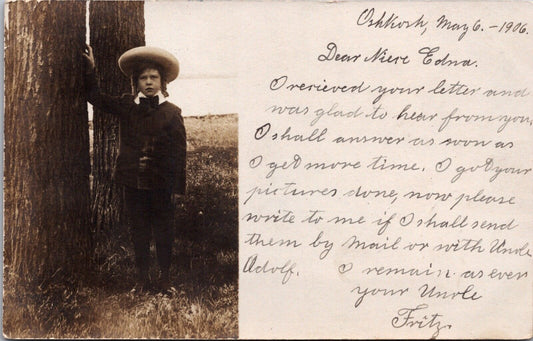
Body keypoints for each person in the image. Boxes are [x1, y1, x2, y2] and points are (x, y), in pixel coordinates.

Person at [83, 45, 186, 293]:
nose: (149, 82)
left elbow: (179, 153)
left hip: (162, 185)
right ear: (136, 81)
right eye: (143, 77)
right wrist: (90, 70)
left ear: (163, 82)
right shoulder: (127, 105)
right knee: (138, 231)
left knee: (163, 231)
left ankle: (164, 278)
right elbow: (95, 97)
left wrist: (177, 188)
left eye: (154, 77)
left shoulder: (172, 113)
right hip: (133, 183)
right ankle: (141, 279)